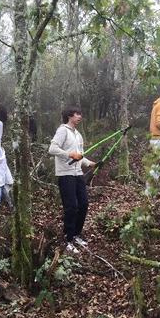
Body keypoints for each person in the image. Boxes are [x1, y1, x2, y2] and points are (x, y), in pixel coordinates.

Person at [48, 106, 101, 254]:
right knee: (71, 206)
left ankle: (76, 234)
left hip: (77, 173)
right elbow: (52, 149)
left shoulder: (78, 134)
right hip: (65, 174)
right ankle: (68, 238)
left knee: (83, 204)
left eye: (80, 114)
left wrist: (90, 163)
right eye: (77, 114)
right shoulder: (62, 130)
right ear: (69, 116)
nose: (80, 117)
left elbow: (80, 155)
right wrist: (69, 155)